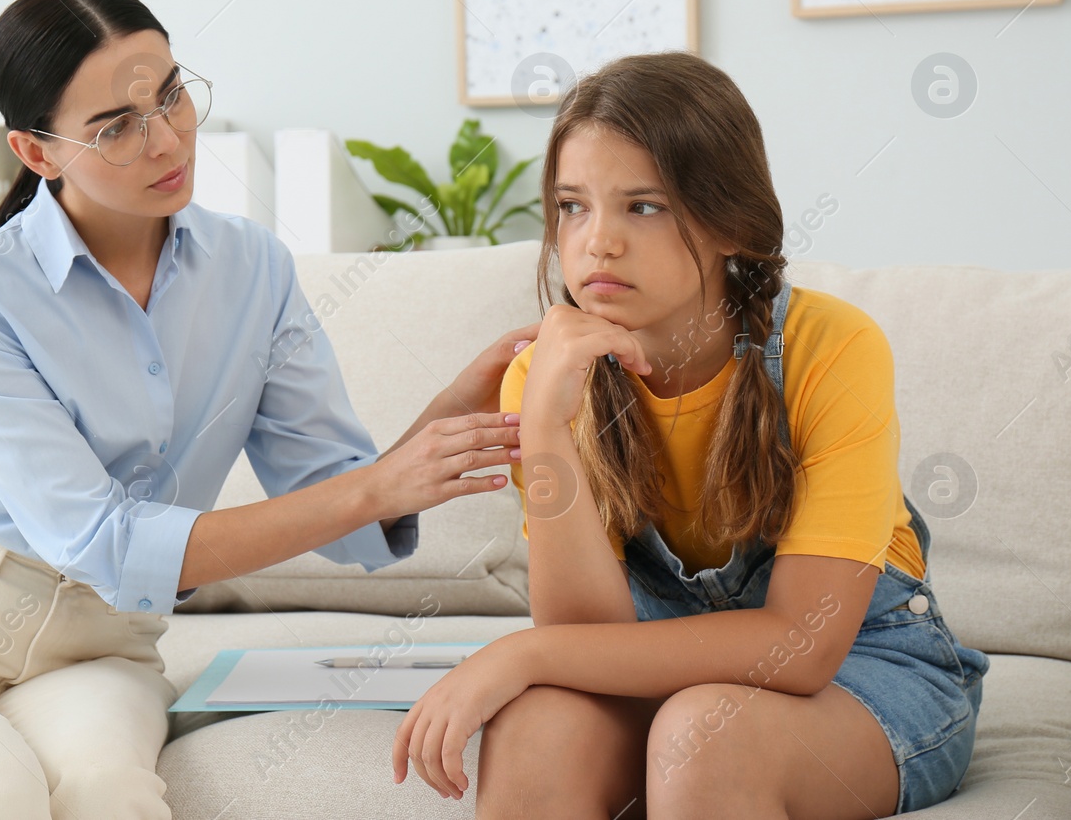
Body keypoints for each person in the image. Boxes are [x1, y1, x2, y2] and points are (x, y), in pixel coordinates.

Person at [0, 0, 536, 820]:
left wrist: (444, 418)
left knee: (112, 796)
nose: (165, 139)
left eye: (173, 94)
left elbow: (346, 509)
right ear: (37, 152)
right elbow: (103, 541)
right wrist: (376, 484)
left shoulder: (253, 269)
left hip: (100, 650)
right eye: (115, 127)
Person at [391, 51, 990, 818]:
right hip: (657, 665)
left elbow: (801, 646)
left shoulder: (831, 348)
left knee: (704, 734)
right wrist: (543, 426)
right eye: (573, 205)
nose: (597, 241)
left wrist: (520, 651)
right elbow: (589, 644)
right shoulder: (546, 377)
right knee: (539, 725)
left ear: (730, 222)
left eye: (643, 206)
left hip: (858, 669)